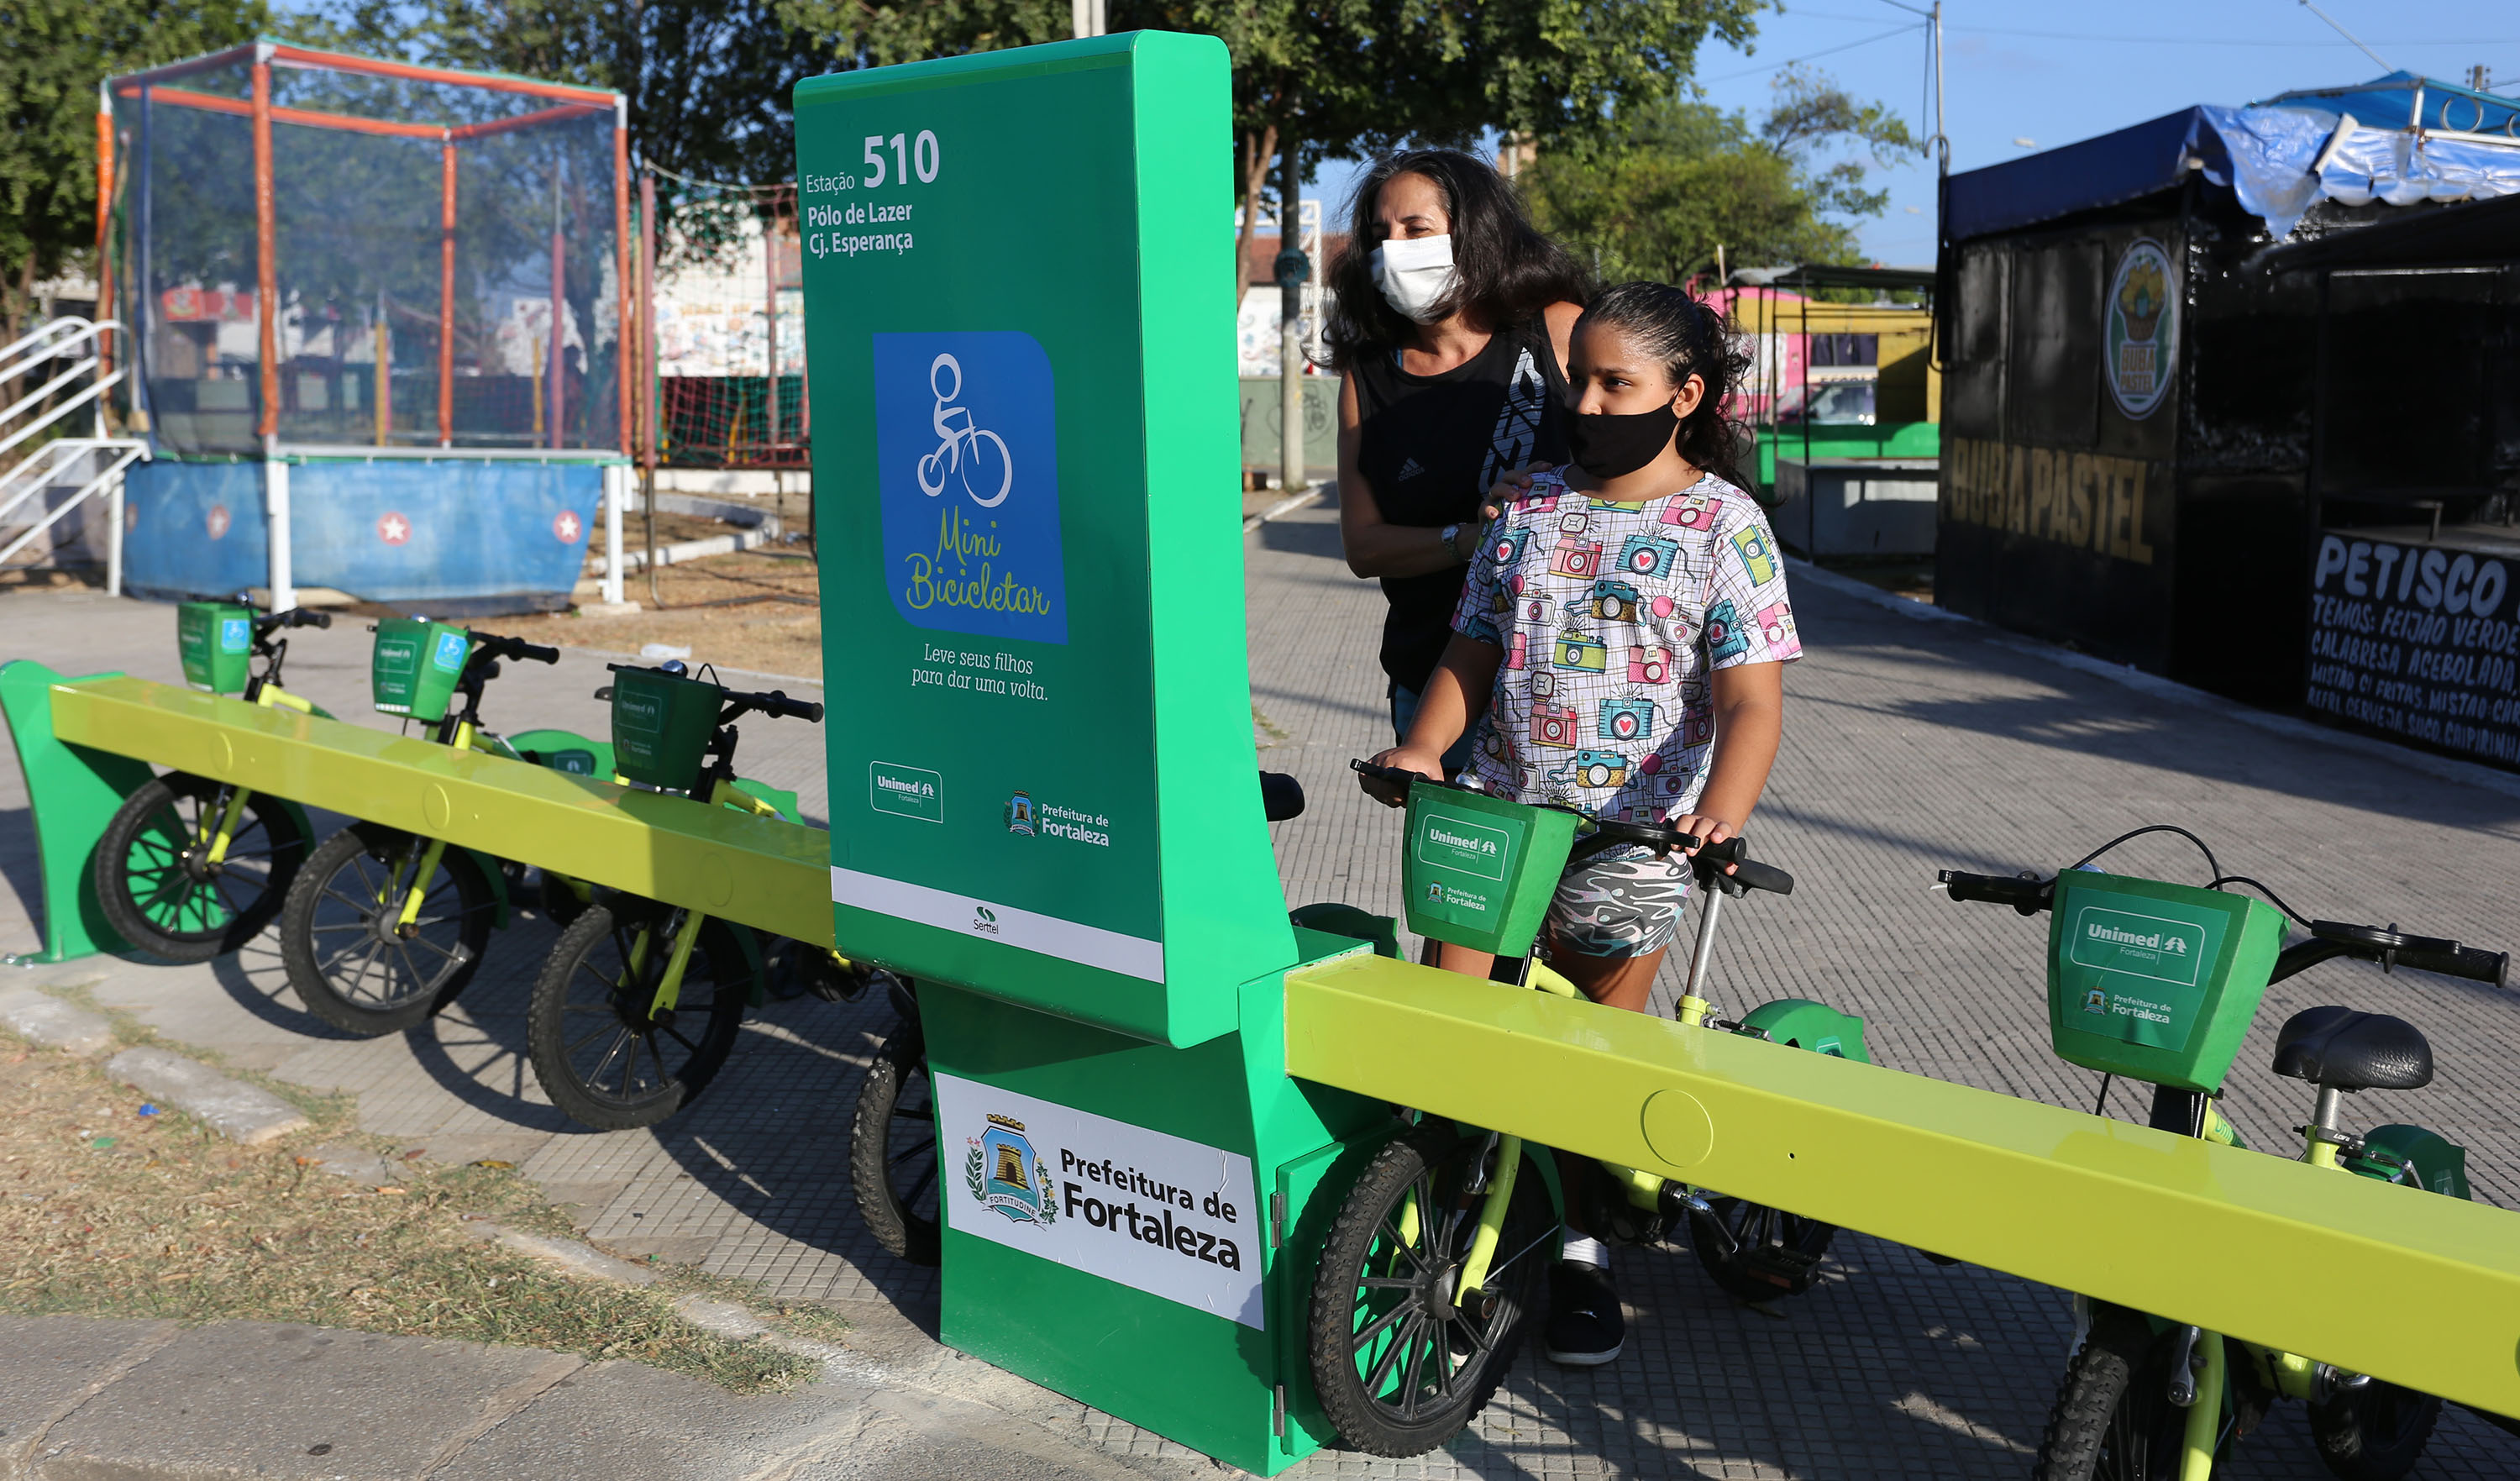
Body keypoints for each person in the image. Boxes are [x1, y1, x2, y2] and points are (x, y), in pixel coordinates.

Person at [1362, 281, 1797, 1368]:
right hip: (1501, 819)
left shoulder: (1723, 527)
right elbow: (1472, 649)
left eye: (1620, 385)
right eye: (1580, 381)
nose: (1591, 403)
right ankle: (1438, 1231)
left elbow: (1751, 701)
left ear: (1684, 395)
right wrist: (1424, 744)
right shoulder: (1527, 506)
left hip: (1639, 836)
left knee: (1591, 1072)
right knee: (1450, 1045)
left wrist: (1718, 814)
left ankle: (1585, 1254)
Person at [1326, 149, 1589, 771]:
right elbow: (1363, 547)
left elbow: (1635, 472)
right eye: (1380, 234)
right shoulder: (1366, 377)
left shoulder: (1557, 331)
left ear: (1476, 232)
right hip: (1433, 688)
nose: (1393, 248)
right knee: (1455, 870)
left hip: (1569, 679)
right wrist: (1474, 537)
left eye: (1416, 230)